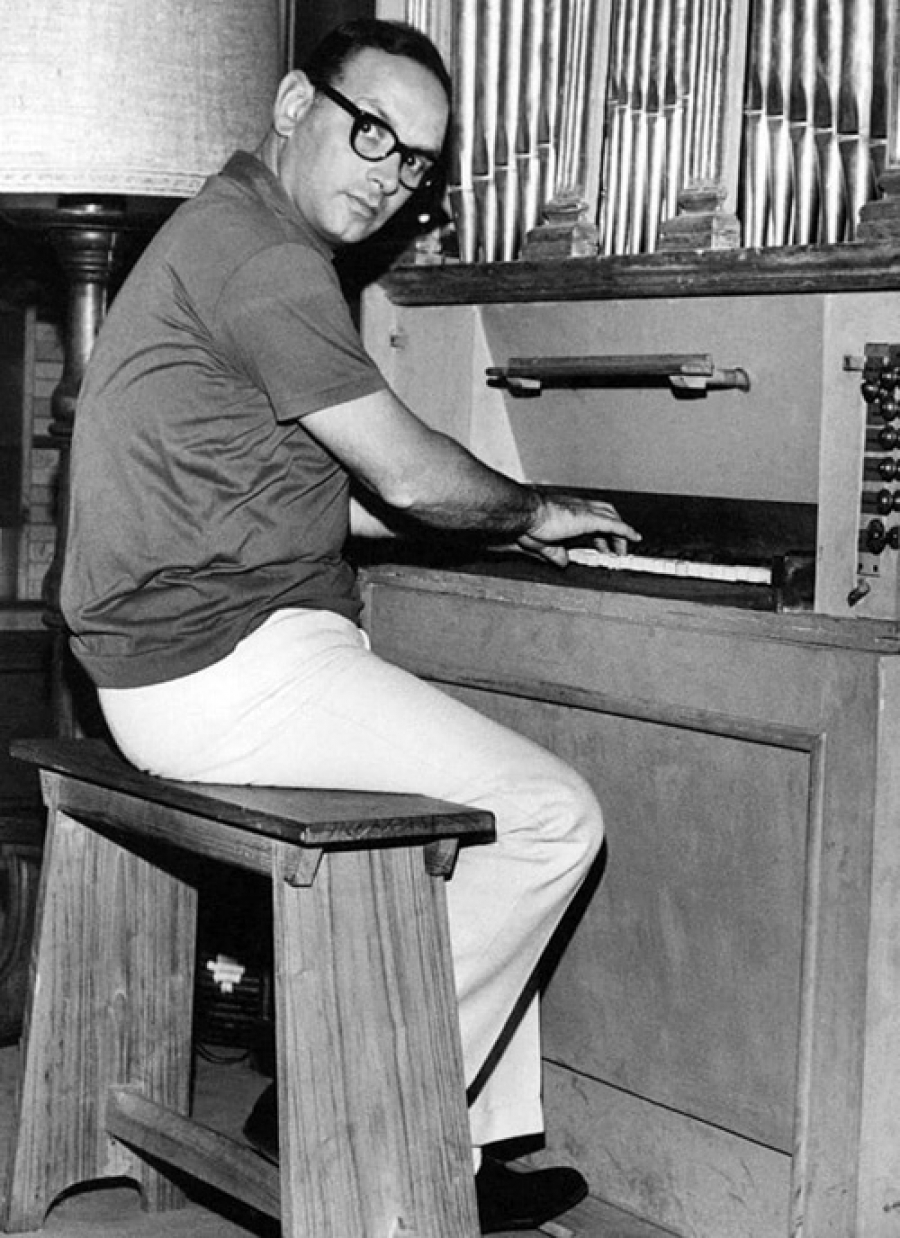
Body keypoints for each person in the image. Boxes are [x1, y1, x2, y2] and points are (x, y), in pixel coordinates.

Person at [60, 17, 641, 1234]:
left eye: (417, 160)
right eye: (374, 131)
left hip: (198, 650)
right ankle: (360, 1115)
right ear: (293, 102)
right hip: (215, 666)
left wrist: (505, 525)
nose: (392, 176)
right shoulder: (267, 259)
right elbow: (413, 477)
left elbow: (315, 494)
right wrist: (526, 504)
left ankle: (458, 1150)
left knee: (475, 806)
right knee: (550, 814)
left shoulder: (232, 228)